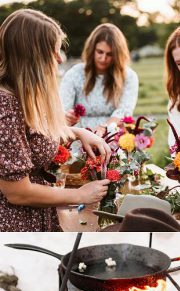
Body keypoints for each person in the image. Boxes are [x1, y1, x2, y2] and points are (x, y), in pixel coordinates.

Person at [0, 9, 111, 232]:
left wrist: (77, 132)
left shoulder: (21, 95)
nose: (59, 58)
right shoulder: (5, 106)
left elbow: (29, 138)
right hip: (16, 225)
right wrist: (80, 194)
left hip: (36, 216)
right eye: (54, 51)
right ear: (32, 55)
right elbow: (17, 192)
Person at [60, 23, 139, 135]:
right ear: (92, 49)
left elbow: (124, 111)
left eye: (110, 54)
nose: (103, 58)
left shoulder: (129, 77)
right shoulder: (74, 74)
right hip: (80, 135)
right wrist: (68, 116)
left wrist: (103, 128)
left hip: (112, 134)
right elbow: (64, 107)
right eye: (100, 52)